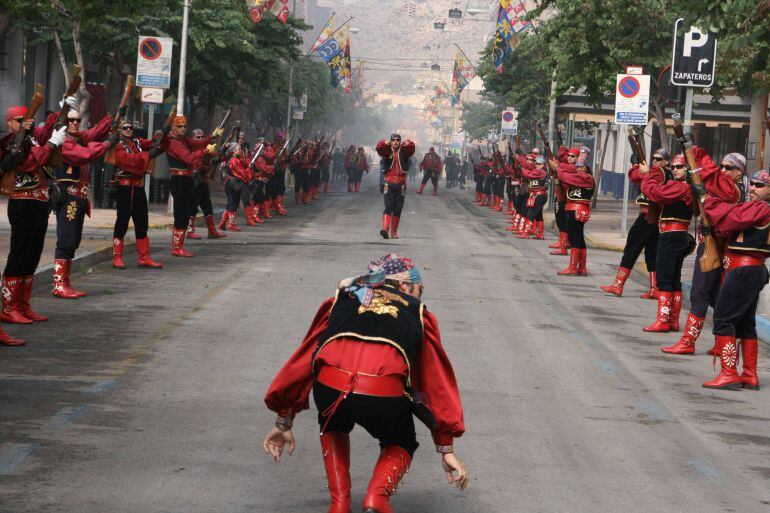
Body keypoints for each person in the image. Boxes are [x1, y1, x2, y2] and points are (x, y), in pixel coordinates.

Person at [263, 253, 468, 513]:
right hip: (381, 393)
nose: (421, 295)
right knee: (401, 440)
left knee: (333, 423)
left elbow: (306, 358)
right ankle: (376, 500)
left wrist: (284, 419)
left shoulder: (340, 299)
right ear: (406, 286)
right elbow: (434, 380)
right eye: (420, 289)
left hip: (330, 387)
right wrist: (445, 445)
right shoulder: (417, 313)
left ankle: (339, 505)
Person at [661, 149, 745, 354]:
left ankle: (688, 342)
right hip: (712, 243)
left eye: (729, 167)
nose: (724, 170)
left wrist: (700, 167)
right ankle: (722, 343)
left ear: (740, 172)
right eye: (722, 166)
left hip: (718, 246)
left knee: (700, 293)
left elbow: (718, 203)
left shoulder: (734, 190)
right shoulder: (725, 188)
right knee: (716, 297)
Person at [0, 105, 66, 344]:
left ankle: (23, 304)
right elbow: (29, 163)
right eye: (20, 120)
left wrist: (58, 112)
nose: (26, 123)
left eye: (28, 120)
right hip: (22, 203)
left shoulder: (31, 139)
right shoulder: (11, 143)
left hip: (38, 202)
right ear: (10, 123)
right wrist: (52, 145)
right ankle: (8, 307)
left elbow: (46, 129)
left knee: (33, 255)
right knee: (19, 254)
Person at [700, 171, 770, 390]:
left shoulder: (762, 207)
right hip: (747, 269)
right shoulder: (757, 207)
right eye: (752, 184)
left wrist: (709, 201)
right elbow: (732, 225)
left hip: (744, 269)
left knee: (723, 319)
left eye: (759, 185)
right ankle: (749, 374)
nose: (752, 188)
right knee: (745, 323)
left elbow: (733, 217)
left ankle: (729, 372)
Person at [52, 108, 114, 298]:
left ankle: (65, 282)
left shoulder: (78, 138)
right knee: (66, 239)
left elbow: (94, 133)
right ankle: (59, 284)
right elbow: (85, 154)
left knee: (73, 241)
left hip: (79, 198)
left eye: (78, 120)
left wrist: (112, 118)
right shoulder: (65, 143)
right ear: (64, 123)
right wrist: (107, 144)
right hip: (69, 196)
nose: (75, 123)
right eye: (71, 120)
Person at [639, 151, 692, 333]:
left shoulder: (682, 187)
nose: (675, 170)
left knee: (664, 278)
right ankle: (672, 320)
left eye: (679, 167)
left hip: (672, 235)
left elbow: (655, 193)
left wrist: (649, 175)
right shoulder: (684, 186)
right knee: (673, 278)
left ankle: (663, 320)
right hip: (676, 234)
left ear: (688, 169)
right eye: (674, 167)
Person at [600, 155, 662, 297]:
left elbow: (634, 176)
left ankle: (618, 284)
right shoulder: (663, 173)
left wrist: (637, 166)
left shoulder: (657, 173)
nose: (655, 161)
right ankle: (655, 288)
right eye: (654, 158)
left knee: (631, 250)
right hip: (657, 219)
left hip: (648, 217)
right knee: (652, 253)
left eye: (659, 159)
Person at [110, 121, 166, 269]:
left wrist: (162, 134)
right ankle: (117, 257)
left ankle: (144, 257)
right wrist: (148, 155)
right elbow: (129, 161)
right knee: (122, 221)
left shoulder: (137, 141)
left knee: (142, 222)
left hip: (138, 186)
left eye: (130, 128)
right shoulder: (117, 145)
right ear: (119, 130)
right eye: (125, 128)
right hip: (125, 187)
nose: (129, 130)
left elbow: (152, 143)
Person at [165, 115, 220, 257]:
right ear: (173, 127)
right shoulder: (173, 142)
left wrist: (211, 136)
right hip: (179, 180)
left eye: (184, 126)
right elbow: (188, 158)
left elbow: (197, 143)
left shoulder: (182, 140)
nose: (183, 128)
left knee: (187, 211)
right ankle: (176, 247)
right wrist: (206, 151)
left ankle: (179, 246)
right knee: (181, 213)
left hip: (187, 179)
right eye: (179, 126)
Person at [550, 152, 594, 276]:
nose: (579, 169)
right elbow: (565, 182)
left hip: (577, 210)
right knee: (579, 239)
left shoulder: (587, 178)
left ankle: (573, 267)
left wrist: (557, 168)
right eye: (578, 167)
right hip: (573, 209)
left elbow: (567, 178)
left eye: (582, 166)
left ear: (587, 167)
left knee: (575, 239)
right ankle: (582, 267)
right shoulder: (577, 177)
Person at [186, 128, 226, 240]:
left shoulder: (208, 149)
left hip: (203, 181)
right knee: (193, 207)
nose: (200, 139)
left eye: (202, 137)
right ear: (193, 138)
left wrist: (225, 151)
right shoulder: (193, 150)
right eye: (197, 137)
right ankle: (190, 231)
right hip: (195, 179)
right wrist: (210, 162)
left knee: (207, 206)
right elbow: (197, 165)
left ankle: (212, 231)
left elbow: (218, 157)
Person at [376, 134, 415, 239]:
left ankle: (394, 232)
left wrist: (408, 142)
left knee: (398, 209)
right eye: (393, 140)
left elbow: (412, 148)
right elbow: (378, 148)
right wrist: (385, 142)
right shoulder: (386, 150)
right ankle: (385, 229)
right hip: (388, 182)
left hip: (401, 183)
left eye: (398, 140)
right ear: (391, 141)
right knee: (388, 207)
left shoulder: (404, 151)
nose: (395, 142)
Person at [549, 147, 578, 255]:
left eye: (572, 156)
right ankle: (562, 242)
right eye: (568, 156)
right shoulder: (564, 166)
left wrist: (556, 165)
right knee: (560, 219)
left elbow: (562, 168)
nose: (568, 158)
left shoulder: (574, 167)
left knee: (566, 222)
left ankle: (564, 245)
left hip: (569, 198)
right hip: (562, 195)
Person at [220, 144, 252, 231]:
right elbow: (242, 173)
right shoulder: (234, 160)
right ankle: (230, 224)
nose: (240, 151)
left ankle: (223, 223)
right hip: (234, 183)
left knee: (231, 202)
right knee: (234, 202)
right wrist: (248, 170)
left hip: (230, 183)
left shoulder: (234, 159)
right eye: (238, 150)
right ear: (233, 151)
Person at [517, 155, 548, 240]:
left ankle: (526, 233)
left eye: (538, 164)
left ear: (543, 164)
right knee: (538, 215)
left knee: (530, 213)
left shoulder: (541, 172)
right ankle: (540, 234)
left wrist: (522, 167)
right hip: (536, 195)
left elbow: (528, 175)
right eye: (536, 163)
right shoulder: (537, 170)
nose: (536, 165)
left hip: (540, 195)